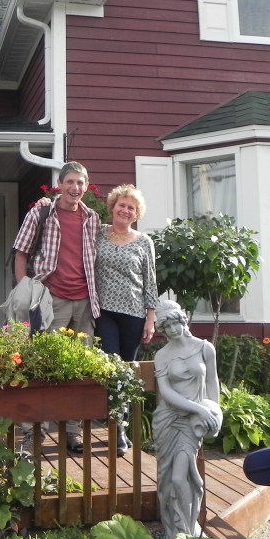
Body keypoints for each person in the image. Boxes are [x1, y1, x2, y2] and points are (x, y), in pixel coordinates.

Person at [12, 161, 100, 453]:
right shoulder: (41, 213)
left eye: (80, 182)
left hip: (85, 302)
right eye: (70, 182)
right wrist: (25, 290)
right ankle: (33, 433)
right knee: (42, 365)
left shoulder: (92, 218)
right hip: (52, 299)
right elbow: (21, 253)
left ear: (86, 186)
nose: (75, 188)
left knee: (80, 368)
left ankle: (72, 431)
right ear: (60, 185)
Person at [94, 184, 158, 455]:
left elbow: (150, 281)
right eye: (121, 204)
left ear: (136, 213)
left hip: (133, 313)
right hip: (104, 311)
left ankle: (121, 423)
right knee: (112, 367)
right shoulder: (97, 233)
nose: (125, 210)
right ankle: (116, 428)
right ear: (113, 207)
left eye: (131, 207)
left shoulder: (144, 242)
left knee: (127, 370)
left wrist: (150, 318)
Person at [152, 299, 222, 539]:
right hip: (167, 419)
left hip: (191, 423)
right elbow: (166, 393)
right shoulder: (162, 355)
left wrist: (214, 413)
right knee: (167, 477)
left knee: (179, 477)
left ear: (183, 321)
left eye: (175, 323)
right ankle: (173, 529)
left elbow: (212, 384)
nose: (173, 329)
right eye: (166, 326)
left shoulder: (205, 348)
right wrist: (199, 410)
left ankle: (188, 528)